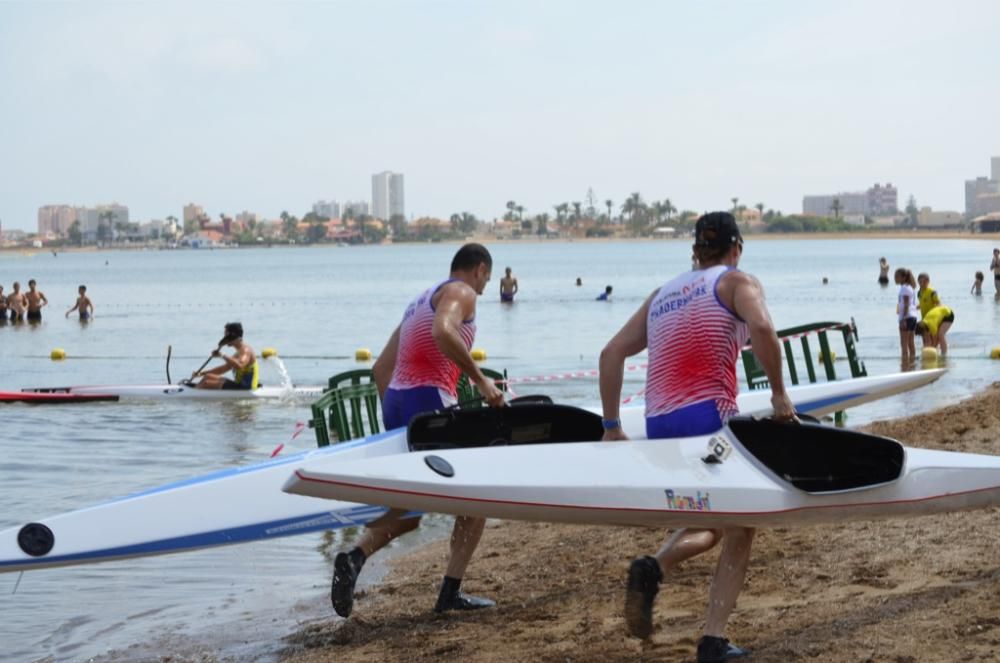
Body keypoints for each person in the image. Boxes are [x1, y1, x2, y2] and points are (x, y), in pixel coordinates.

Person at [598, 212, 795, 663]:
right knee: (742, 525)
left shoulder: (661, 294)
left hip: (659, 427)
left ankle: (654, 567)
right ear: (736, 248)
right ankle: (712, 640)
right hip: (709, 420)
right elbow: (764, 330)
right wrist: (781, 396)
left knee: (709, 521)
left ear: (695, 251)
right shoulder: (736, 282)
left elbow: (611, 354)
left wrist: (612, 427)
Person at [331, 243, 505, 618]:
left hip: (398, 402)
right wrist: (481, 382)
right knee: (476, 502)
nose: (485, 287)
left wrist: (397, 422)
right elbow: (443, 333)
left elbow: (380, 369)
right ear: (478, 269)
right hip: (427, 402)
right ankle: (449, 595)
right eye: (487, 279)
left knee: (408, 511)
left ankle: (353, 557)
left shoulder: (419, 300)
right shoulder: (462, 293)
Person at [191, 322, 258, 390]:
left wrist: (222, 355)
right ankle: (194, 390)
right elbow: (223, 369)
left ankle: (192, 394)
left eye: (226, 336)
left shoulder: (246, 350)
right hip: (239, 385)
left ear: (233, 336)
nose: (225, 339)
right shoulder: (238, 353)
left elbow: (240, 365)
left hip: (247, 388)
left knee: (207, 383)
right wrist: (201, 373)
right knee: (208, 376)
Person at [895, 268, 919, 365]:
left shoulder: (904, 288)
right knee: (910, 342)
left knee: (904, 344)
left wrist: (903, 319)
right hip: (913, 316)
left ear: (904, 277)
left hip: (907, 317)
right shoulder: (910, 287)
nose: (895, 279)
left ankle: (905, 365)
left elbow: (906, 304)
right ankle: (912, 363)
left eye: (897, 277)